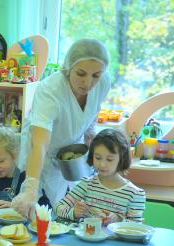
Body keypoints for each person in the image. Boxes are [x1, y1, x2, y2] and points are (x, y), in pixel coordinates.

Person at [13, 38, 111, 218]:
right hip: (41, 158)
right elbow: (39, 144)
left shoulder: (104, 83)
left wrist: (92, 143)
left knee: (74, 214)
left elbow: (90, 116)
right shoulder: (51, 90)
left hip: (72, 157)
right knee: (37, 217)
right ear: (68, 68)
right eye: (81, 73)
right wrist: (31, 188)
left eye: (96, 75)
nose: (88, 82)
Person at [54, 129, 146, 224]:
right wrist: (73, 212)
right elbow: (58, 207)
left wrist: (117, 220)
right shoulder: (86, 184)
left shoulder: (135, 194)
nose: (102, 164)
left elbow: (136, 228)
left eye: (109, 159)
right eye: (97, 158)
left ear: (122, 159)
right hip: (87, 237)